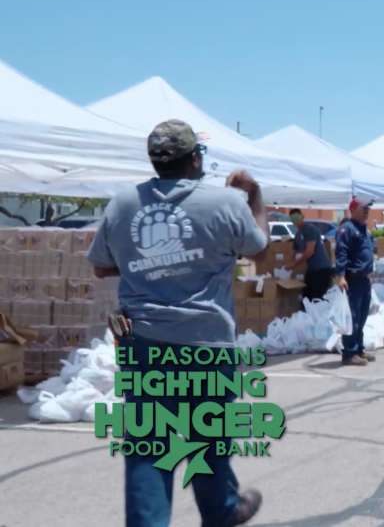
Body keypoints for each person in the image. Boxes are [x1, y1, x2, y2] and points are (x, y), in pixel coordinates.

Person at [87, 119, 268, 527]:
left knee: (149, 448)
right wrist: (254, 197)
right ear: (195, 159)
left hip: (143, 343)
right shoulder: (226, 203)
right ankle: (222, 512)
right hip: (207, 344)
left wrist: (145, 264)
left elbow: (100, 268)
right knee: (209, 437)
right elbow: (258, 248)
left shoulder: (122, 205)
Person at [334, 196, 377, 367]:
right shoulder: (347, 229)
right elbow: (341, 254)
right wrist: (340, 276)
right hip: (353, 279)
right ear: (353, 210)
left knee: (362, 316)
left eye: (368, 209)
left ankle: (359, 349)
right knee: (352, 318)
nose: (367, 212)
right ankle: (349, 353)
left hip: (364, 279)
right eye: (363, 208)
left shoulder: (365, 230)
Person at [285, 208, 333, 302]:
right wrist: (287, 265)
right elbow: (293, 252)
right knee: (306, 296)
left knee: (318, 297)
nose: (296, 222)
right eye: (293, 220)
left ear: (302, 217)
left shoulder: (310, 229)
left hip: (321, 268)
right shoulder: (298, 235)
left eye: (297, 218)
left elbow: (309, 251)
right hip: (312, 268)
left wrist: (294, 265)